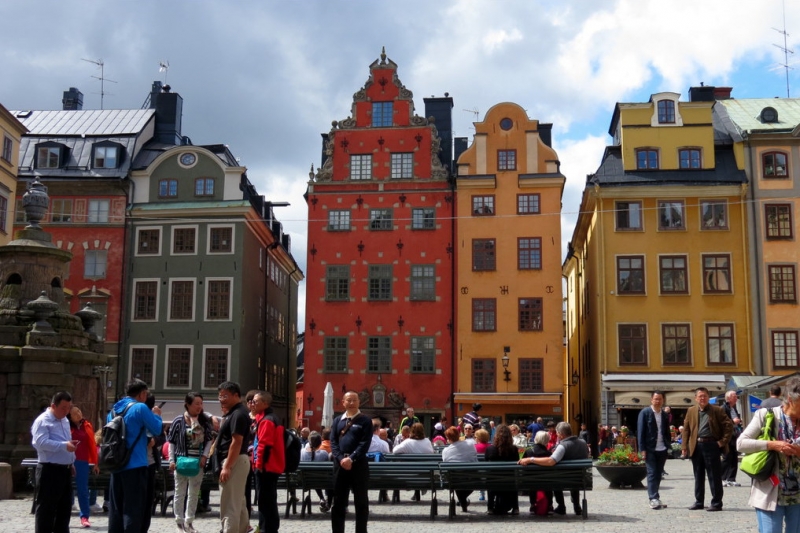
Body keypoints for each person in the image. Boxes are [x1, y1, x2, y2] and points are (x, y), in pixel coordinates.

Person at [737, 376, 800, 533]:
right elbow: (741, 443)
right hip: (770, 490)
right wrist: (772, 445)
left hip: (797, 496)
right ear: (791, 400)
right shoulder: (765, 415)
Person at [107, 379, 163, 533]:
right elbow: (157, 429)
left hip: (116, 464)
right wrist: (157, 415)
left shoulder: (113, 411)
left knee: (116, 509)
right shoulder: (140, 408)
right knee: (133, 509)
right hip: (136, 465)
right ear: (142, 394)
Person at [167, 392, 214, 533]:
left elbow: (209, 440)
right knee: (179, 493)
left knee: (194, 494)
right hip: (181, 462)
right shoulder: (178, 421)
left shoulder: (204, 421)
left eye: (201, 403)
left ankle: (189, 521)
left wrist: (205, 456)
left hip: (197, 463)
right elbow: (171, 442)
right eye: (196, 403)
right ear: (188, 404)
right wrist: (171, 459)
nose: (199, 406)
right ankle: (179, 522)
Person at [681, 386, 733, 512]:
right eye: (700, 396)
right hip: (696, 446)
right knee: (698, 475)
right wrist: (684, 447)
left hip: (711, 445)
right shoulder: (691, 411)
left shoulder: (717, 410)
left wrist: (722, 442)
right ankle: (699, 501)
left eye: (705, 396)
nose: (702, 398)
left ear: (708, 397)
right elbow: (686, 429)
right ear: (696, 398)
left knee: (714, 476)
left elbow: (728, 425)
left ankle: (716, 503)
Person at [519, 421, 587, 516]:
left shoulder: (562, 446)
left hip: (564, 478)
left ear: (562, 434)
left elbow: (551, 461)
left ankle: (561, 506)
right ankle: (577, 505)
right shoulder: (583, 443)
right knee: (573, 476)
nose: (557, 435)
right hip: (580, 478)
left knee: (555, 478)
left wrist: (531, 459)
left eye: (558, 433)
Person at [32, 391, 76, 533]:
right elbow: (40, 442)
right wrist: (64, 445)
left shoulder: (65, 420)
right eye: (63, 407)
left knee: (64, 509)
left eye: (69, 407)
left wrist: (71, 462)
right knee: (46, 510)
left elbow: (66, 442)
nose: (66, 411)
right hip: (49, 470)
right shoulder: (43, 421)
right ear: (53, 405)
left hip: (65, 469)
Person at [330, 391, 372, 533]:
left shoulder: (365, 421)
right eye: (349, 400)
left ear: (359, 402)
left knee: (361, 502)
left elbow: (364, 443)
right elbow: (333, 442)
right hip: (340, 465)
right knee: (338, 502)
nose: (352, 403)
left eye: (354, 400)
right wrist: (341, 458)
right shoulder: (337, 421)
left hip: (358, 465)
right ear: (343, 402)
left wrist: (352, 458)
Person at [214, 381, 252, 533]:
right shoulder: (234, 413)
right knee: (238, 502)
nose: (221, 399)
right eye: (220, 396)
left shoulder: (238, 414)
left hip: (234, 460)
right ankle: (244, 529)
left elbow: (236, 442)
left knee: (230, 504)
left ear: (236, 395)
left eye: (225, 396)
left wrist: (227, 466)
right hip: (237, 460)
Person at [252, 391, 285, 533]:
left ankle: (267, 529)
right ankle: (269, 528)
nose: (252, 404)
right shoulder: (269, 418)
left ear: (265, 403)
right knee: (269, 500)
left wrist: (259, 465)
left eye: (255, 401)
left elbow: (264, 445)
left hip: (267, 467)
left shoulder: (267, 420)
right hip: (271, 466)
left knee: (265, 501)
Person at [637, 391, 671, 510]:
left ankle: (656, 497)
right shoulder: (645, 413)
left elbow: (666, 431)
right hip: (650, 448)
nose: (658, 401)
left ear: (663, 400)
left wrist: (668, 446)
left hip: (662, 448)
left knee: (658, 474)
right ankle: (653, 498)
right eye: (656, 399)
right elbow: (640, 432)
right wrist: (642, 449)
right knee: (651, 473)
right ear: (651, 400)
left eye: (660, 399)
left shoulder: (665, 415)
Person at [68, 405, 98, 528]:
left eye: (79, 411)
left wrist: (95, 462)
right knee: (66, 489)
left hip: (82, 461)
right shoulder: (66, 427)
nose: (78, 414)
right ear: (70, 417)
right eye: (75, 413)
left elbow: (92, 444)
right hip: (68, 461)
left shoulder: (87, 425)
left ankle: (84, 516)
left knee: (83, 490)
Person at [393, 422, 435, 502]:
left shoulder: (407, 442)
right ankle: (417, 492)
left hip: (408, 474)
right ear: (423, 431)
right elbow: (431, 452)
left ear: (412, 431)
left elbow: (394, 450)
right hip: (424, 474)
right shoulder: (427, 441)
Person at [485, 424, 520, 515]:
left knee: (490, 478)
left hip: (494, 480)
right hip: (509, 480)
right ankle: (515, 508)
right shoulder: (514, 449)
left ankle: (490, 507)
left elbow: (486, 462)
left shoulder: (490, 449)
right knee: (513, 479)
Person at [442, 426, 477, 512]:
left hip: (454, 478)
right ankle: (463, 502)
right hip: (471, 477)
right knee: (461, 478)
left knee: (456, 479)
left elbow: (445, 462)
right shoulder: (470, 445)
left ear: (449, 438)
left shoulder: (446, 450)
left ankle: (463, 503)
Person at [521, 430, 552, 515]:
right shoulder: (549, 453)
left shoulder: (528, 451)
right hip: (547, 480)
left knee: (532, 480)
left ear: (536, 439)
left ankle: (533, 504)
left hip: (530, 479)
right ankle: (549, 505)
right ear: (547, 440)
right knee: (548, 481)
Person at [301, 431, 332, 512]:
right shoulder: (324, 453)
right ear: (320, 443)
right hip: (322, 480)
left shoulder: (302, 452)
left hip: (306, 481)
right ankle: (328, 502)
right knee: (328, 477)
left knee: (313, 475)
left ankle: (322, 498)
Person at [722, 390, 744, 487]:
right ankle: (722, 478)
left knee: (734, 457)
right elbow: (722, 422)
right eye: (734, 396)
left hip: (734, 435)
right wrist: (733, 421)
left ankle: (731, 478)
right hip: (727, 437)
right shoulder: (724, 408)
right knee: (727, 457)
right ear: (729, 398)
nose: (736, 398)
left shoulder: (733, 408)